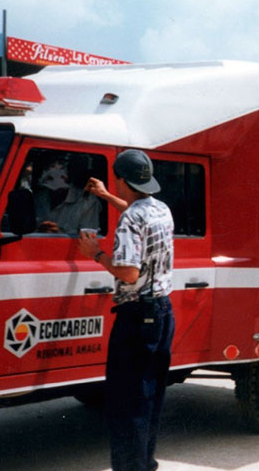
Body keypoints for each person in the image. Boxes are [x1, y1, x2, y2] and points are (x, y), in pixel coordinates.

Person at [78, 149, 175, 471]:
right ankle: (145, 465)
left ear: (120, 179)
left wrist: (96, 254)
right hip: (162, 312)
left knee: (126, 402)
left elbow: (129, 273)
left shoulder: (130, 219)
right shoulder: (160, 209)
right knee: (148, 399)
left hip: (136, 317)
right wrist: (107, 196)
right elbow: (138, 214)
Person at [35, 155, 102, 235]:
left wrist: (59, 234)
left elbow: (89, 238)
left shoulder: (88, 202)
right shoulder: (39, 198)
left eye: (61, 173)